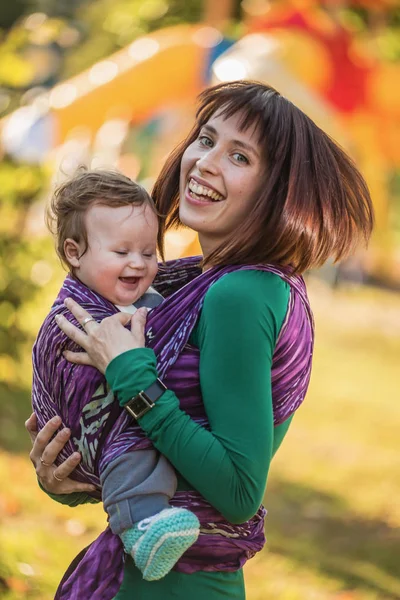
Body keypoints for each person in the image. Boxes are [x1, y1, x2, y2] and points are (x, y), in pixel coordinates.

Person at [26, 80, 373, 600]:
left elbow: (237, 490)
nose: (207, 162)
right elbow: (171, 461)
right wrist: (70, 476)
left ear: (275, 190)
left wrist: (129, 374)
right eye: (206, 139)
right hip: (153, 570)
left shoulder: (241, 293)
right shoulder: (201, 282)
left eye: (239, 156)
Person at [31, 169, 200, 583]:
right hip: (86, 429)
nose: (139, 264)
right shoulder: (79, 314)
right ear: (75, 252)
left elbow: (182, 283)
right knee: (131, 445)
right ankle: (140, 525)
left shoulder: (132, 293)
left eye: (148, 251)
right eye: (122, 252)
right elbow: (69, 372)